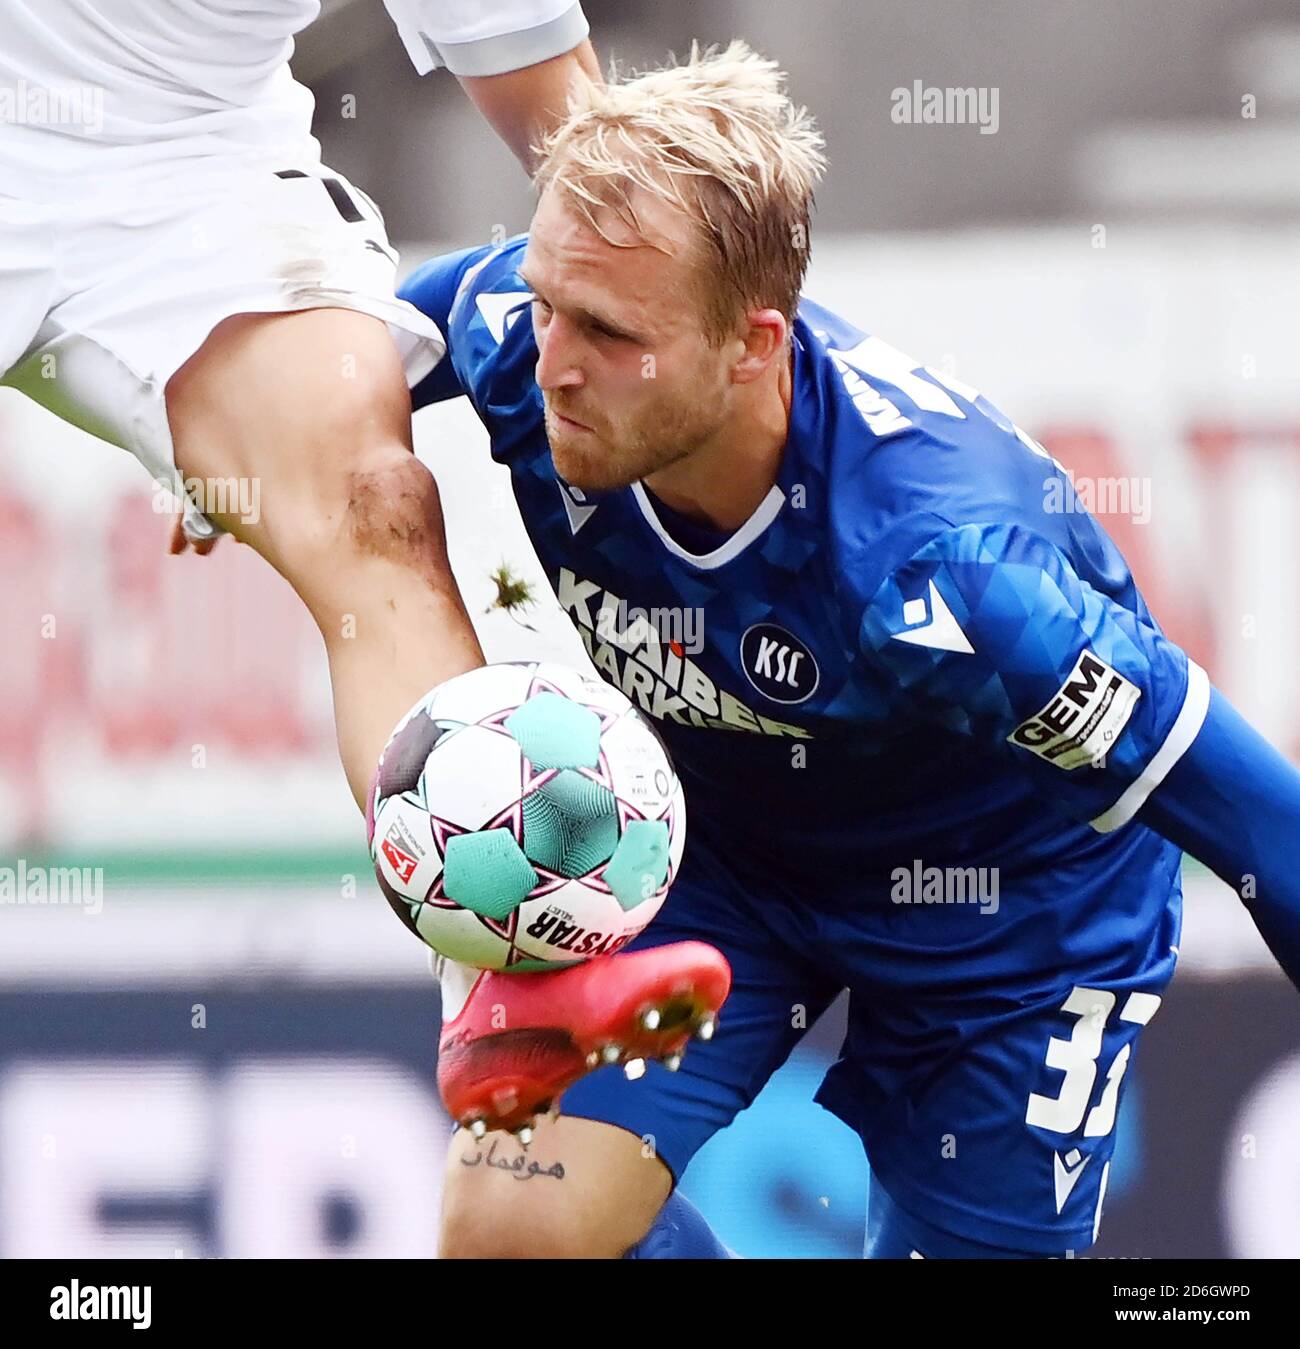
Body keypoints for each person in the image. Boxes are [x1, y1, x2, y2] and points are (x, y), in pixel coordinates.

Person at [398, 42, 1300, 1258]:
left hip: (1012, 922)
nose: (552, 362)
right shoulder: (526, 331)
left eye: (607, 332)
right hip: (722, 862)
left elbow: (1261, 826)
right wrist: (254, 455)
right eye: (548, 302)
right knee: (511, 1230)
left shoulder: (950, 575)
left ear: (755, 344)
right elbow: (344, 351)